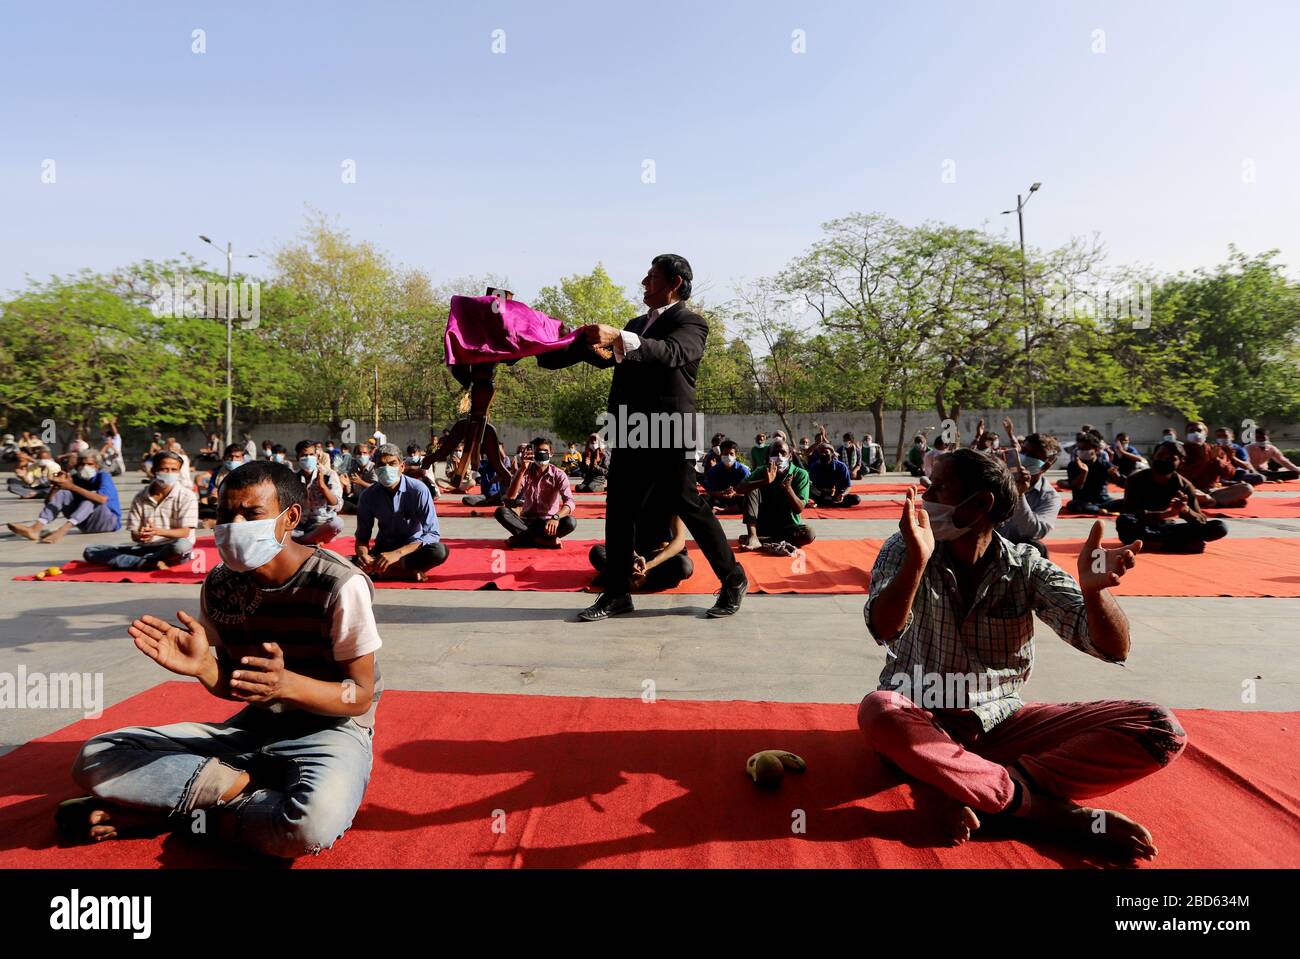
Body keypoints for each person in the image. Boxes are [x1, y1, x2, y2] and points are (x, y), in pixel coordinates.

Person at [859, 448, 1184, 865]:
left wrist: (1095, 592)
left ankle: (980, 789)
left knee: (1160, 727)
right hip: (921, 718)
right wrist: (917, 563)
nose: (926, 493)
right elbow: (882, 629)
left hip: (1001, 723)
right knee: (880, 710)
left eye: (940, 487)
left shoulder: (1027, 565)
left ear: (978, 505)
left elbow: (1110, 647)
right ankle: (1045, 811)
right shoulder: (906, 547)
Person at [61, 460, 381, 857]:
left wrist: (289, 686)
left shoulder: (339, 584)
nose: (234, 524)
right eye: (227, 513)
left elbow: (360, 696)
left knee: (308, 828)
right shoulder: (221, 582)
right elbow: (239, 685)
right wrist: (206, 668)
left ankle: (172, 814)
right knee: (96, 757)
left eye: (252, 513)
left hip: (332, 730)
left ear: (290, 517)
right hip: (255, 727)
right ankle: (241, 790)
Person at [538, 253, 748, 620]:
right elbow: (603, 356)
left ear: (674, 284)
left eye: (651, 277)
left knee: (689, 506)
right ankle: (617, 593)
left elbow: (671, 353)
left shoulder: (691, 323)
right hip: (628, 426)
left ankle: (733, 578)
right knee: (619, 508)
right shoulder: (637, 323)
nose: (643, 282)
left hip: (670, 428)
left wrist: (619, 337)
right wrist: (543, 344)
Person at [83, 451, 198, 570]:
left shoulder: (187, 496)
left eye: (174, 470)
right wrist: (142, 535)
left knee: (181, 546)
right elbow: (135, 535)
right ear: (154, 471)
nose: (169, 473)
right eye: (164, 469)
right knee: (91, 551)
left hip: (172, 547)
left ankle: (141, 562)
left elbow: (185, 532)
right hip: (147, 548)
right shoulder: (140, 497)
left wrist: (157, 532)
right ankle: (147, 562)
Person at [354, 444, 449, 582]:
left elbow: (432, 533)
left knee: (439, 551)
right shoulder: (368, 495)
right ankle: (401, 572)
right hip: (382, 551)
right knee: (340, 563)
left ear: (402, 466)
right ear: (375, 468)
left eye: (392, 463)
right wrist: (364, 556)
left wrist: (397, 554)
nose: (387, 469)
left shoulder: (418, 490)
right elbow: (362, 537)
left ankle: (386, 570)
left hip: (411, 551)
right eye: (381, 464)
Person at [1116, 441, 1229, 553]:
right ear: (1153, 456)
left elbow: (1201, 520)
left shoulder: (1185, 486)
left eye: (1171, 459)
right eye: (1161, 456)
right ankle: (1170, 545)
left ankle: (1153, 543)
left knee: (1219, 527)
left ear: (1181, 462)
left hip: (1166, 529)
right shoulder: (1135, 480)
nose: (1164, 460)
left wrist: (1185, 510)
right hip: (1140, 526)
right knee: (1124, 521)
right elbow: (1129, 513)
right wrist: (1166, 514)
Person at [7, 451, 121, 543]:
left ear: (96, 466)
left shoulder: (103, 476)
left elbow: (102, 499)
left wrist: (71, 486)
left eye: (89, 464)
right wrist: (56, 486)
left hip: (108, 522)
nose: (85, 467)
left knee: (91, 498)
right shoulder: (75, 477)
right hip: (84, 525)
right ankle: (35, 529)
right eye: (81, 464)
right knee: (63, 493)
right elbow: (49, 503)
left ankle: (63, 530)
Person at [494, 437, 577, 548]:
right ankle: (541, 541)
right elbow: (510, 496)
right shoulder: (525, 472)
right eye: (538, 452)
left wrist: (556, 518)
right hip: (527, 522)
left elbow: (570, 501)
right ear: (533, 453)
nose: (542, 454)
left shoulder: (558, 474)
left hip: (549, 524)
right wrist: (522, 469)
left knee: (570, 522)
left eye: (545, 451)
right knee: (501, 512)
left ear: (551, 453)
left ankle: (524, 539)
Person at [735, 436, 815, 550]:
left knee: (809, 534)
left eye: (783, 453)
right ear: (769, 457)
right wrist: (764, 481)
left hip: (788, 526)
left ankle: (763, 540)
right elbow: (739, 489)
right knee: (751, 487)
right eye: (775, 453)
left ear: (790, 456)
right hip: (764, 523)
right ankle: (753, 536)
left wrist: (788, 489)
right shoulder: (762, 471)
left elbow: (799, 508)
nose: (779, 457)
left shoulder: (800, 474)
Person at [995, 431, 1063, 558]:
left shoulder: (1049, 497)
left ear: (1046, 465)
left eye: (1032, 455)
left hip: (1016, 550)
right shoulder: (999, 479)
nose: (1024, 457)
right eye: (1023, 451)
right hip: (987, 541)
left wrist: (1019, 496)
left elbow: (1035, 532)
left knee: (1038, 549)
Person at [590, 512, 693, 593]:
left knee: (684, 565)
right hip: (633, 556)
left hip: (662, 557)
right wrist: (635, 557)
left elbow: (679, 541)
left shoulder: (672, 495)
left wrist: (649, 565)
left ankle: (623, 579)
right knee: (597, 552)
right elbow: (621, 535)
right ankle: (639, 580)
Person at [1179, 420, 1252, 509]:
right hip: (1190, 490)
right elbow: (1181, 475)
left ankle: (1208, 501)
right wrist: (1203, 459)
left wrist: (1216, 460)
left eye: (1199, 431)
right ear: (1186, 434)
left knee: (1247, 488)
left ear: (1205, 434)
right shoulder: (1180, 451)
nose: (1196, 433)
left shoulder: (1215, 449)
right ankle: (1215, 501)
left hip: (1212, 491)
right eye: (1192, 431)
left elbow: (1230, 473)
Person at [293, 440, 344, 545]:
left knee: (337, 523)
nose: (308, 458)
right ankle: (313, 539)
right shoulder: (293, 478)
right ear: (297, 458)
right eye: (304, 455)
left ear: (317, 456)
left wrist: (322, 486)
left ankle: (303, 541)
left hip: (322, 523)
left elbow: (337, 505)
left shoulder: (329, 475)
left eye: (311, 454)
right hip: (300, 525)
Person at [1064, 435, 1120, 514]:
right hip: (1082, 501)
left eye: (1085, 448)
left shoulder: (1104, 465)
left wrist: (1115, 476)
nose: (1082, 451)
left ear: (1096, 450)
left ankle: (1099, 509)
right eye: (1080, 449)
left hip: (1103, 500)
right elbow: (1075, 486)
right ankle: (1099, 510)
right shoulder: (1073, 465)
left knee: (1124, 502)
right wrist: (1084, 473)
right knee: (1072, 505)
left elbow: (1120, 482)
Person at [704, 440, 750, 513]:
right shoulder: (714, 470)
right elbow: (710, 491)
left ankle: (724, 510)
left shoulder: (743, 471)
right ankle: (729, 509)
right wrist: (722, 493)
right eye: (725, 454)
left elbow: (749, 490)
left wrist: (734, 493)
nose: (728, 456)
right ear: (721, 454)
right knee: (704, 498)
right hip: (720, 498)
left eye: (731, 454)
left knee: (749, 499)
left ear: (736, 455)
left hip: (737, 498)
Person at [342, 442, 377, 512]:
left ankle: (361, 509)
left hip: (372, 500)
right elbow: (350, 491)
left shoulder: (373, 467)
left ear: (369, 454)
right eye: (359, 453)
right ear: (355, 455)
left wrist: (360, 482)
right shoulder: (353, 469)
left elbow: (376, 488)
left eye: (364, 453)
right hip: (358, 499)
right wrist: (346, 485)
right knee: (340, 501)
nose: (362, 455)